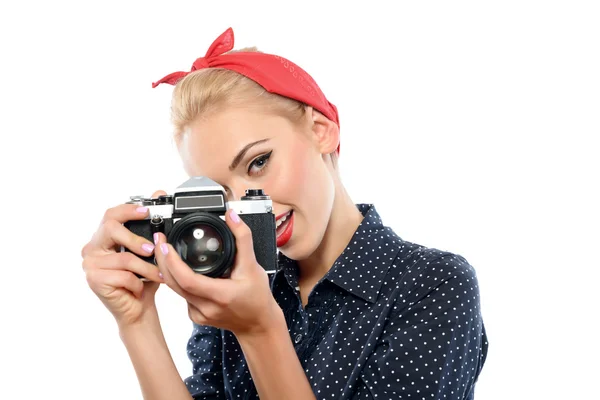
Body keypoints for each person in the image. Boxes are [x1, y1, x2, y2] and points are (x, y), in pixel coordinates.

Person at [81, 27, 489, 400]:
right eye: (220, 193)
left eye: (258, 163)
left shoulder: (433, 285)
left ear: (321, 129)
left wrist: (259, 330)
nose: (243, 204)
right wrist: (136, 321)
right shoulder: (234, 280)